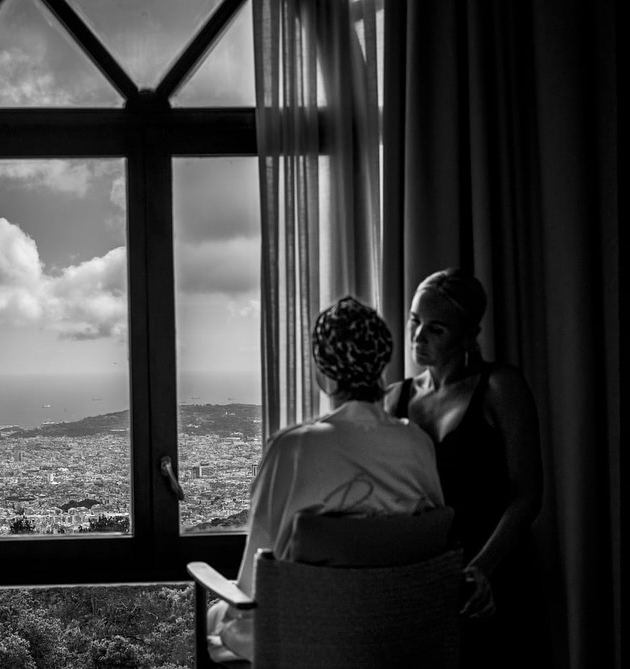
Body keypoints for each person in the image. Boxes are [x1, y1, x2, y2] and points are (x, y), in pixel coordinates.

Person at [207, 296, 444, 663]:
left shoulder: (295, 448)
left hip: (305, 644)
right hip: (401, 640)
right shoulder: (418, 444)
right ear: (381, 363)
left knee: (214, 618)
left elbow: (253, 581)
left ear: (323, 369)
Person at [385, 268, 546, 667]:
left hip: (495, 575)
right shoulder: (395, 399)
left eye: (436, 329)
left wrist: (479, 570)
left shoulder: (499, 387)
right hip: (427, 582)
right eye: (414, 321)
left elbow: (527, 495)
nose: (418, 337)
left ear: (469, 333)